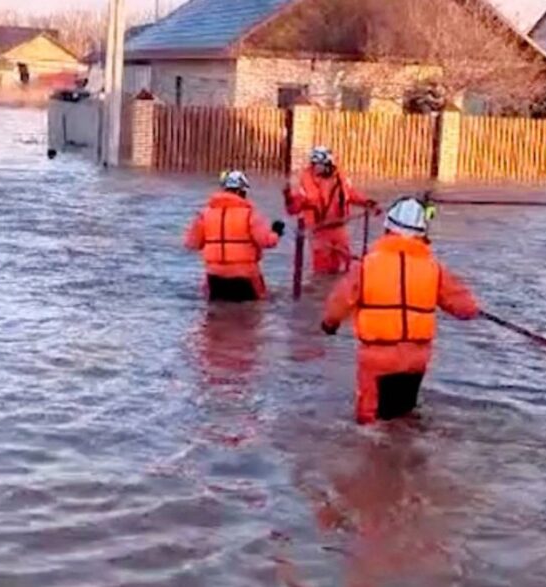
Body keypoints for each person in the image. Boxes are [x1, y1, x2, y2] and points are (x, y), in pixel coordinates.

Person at [320, 197, 480, 425]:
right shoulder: (434, 268)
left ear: (388, 228)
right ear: (422, 234)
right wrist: (473, 309)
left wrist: (330, 324)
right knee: (404, 417)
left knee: (370, 424)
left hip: (378, 359)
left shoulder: (366, 266)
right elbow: (466, 308)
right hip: (417, 359)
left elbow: (340, 302)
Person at [184, 170, 285, 302]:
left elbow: (192, 243)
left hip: (215, 277)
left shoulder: (204, 215)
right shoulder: (250, 215)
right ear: (241, 191)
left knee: (216, 316)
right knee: (253, 314)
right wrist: (276, 232)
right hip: (246, 276)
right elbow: (266, 241)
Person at [284, 146, 377, 274]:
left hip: (339, 227)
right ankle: (322, 292)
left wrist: (367, 203)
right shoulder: (305, 181)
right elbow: (294, 208)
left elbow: (350, 194)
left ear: (328, 164)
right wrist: (289, 199)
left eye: (319, 164)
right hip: (319, 231)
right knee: (322, 269)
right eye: (314, 164)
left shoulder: (339, 177)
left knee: (346, 264)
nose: (316, 167)